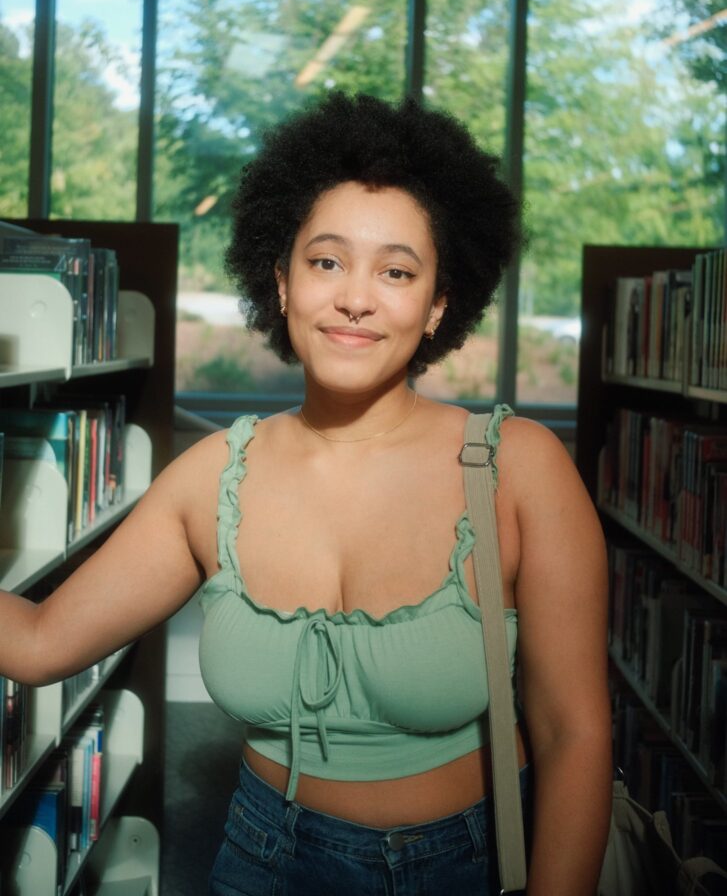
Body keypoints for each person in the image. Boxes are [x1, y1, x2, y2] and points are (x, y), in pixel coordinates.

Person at [0, 92, 612, 895]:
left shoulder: (516, 467)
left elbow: (574, 733)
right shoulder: (213, 475)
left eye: (395, 272)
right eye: (325, 261)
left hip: (469, 862)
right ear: (281, 282)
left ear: (435, 306)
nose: (355, 298)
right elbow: (41, 644)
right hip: (261, 858)